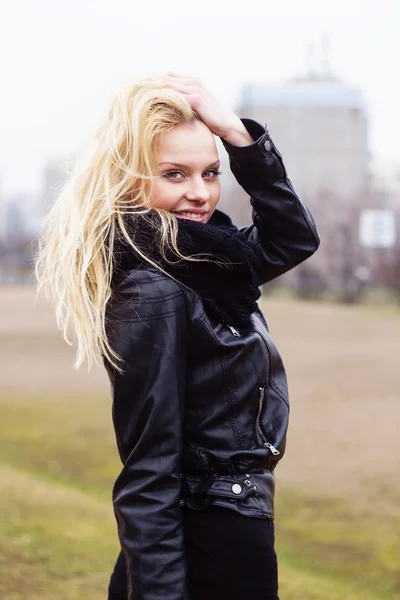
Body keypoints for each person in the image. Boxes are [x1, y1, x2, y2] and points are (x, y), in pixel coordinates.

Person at [35, 72, 320, 600]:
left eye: (210, 173)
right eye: (174, 174)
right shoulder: (154, 287)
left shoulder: (205, 260)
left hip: (231, 524)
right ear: (129, 180)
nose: (199, 193)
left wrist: (239, 137)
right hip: (210, 538)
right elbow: (148, 472)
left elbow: (293, 239)